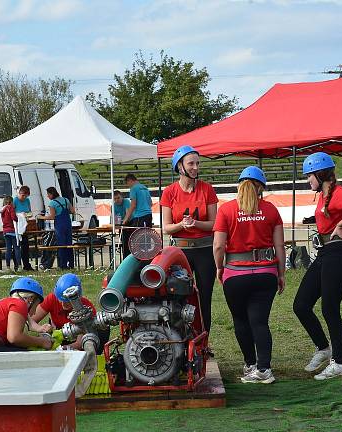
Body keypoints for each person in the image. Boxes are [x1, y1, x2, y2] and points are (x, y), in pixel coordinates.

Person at [293, 152, 342, 380]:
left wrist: (341, 225)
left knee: (329, 308)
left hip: (338, 254)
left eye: (309, 176)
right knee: (301, 305)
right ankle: (324, 348)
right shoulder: (324, 195)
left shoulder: (338, 192)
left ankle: (340, 363)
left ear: (320, 174)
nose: (308, 181)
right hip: (326, 253)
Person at [213, 167, 285, 384]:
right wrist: (281, 273)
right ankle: (264, 369)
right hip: (266, 273)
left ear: (239, 186)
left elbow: (218, 246)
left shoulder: (226, 210)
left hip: (235, 275)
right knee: (260, 322)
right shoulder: (271, 210)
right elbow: (279, 245)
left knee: (240, 320)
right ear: (260, 188)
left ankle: (250, 364)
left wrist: (219, 267)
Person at [161, 145, 218, 336]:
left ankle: (204, 339)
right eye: (191, 163)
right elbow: (166, 227)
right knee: (178, 295)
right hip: (180, 252)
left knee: (204, 297)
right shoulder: (169, 192)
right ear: (179, 166)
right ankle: (180, 339)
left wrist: (195, 223)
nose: (195, 167)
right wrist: (181, 226)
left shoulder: (207, 189)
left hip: (204, 250)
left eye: (197, 163)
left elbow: (213, 224)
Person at [31, 273, 109, 350]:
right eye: (61, 300)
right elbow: (30, 320)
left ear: (77, 296)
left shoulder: (86, 309)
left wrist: (59, 349)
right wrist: (40, 328)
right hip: (64, 336)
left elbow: (79, 344)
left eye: (68, 301)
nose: (63, 304)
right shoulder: (52, 298)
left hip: (81, 340)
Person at [38, 187, 75, 269]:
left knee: (61, 245)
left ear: (51, 194)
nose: (47, 196)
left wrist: (41, 217)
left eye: (48, 194)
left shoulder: (52, 203)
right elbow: (72, 211)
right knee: (69, 244)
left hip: (59, 226)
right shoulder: (66, 200)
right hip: (68, 224)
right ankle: (71, 264)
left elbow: (52, 216)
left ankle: (63, 265)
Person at [121, 174, 153, 257]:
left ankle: (133, 258)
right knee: (146, 240)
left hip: (140, 216)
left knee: (137, 239)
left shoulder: (133, 189)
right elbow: (151, 203)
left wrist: (125, 219)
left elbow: (133, 205)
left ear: (130, 180)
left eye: (127, 184)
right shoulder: (145, 188)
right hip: (149, 215)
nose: (128, 186)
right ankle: (146, 259)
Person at [13, 185, 34, 271]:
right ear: (20, 193)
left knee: (25, 247)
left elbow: (30, 212)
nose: (24, 198)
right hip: (16, 227)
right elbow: (12, 213)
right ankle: (17, 265)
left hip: (24, 226)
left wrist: (26, 215)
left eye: (26, 196)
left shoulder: (27, 201)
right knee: (16, 246)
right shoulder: (15, 200)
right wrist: (20, 214)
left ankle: (27, 265)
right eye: (23, 196)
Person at [0, 195, 21, 272]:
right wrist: (18, 218)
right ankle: (19, 266)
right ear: (11, 202)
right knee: (16, 248)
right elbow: (14, 218)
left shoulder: (2, 209)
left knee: (8, 249)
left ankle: (8, 267)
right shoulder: (10, 208)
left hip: (5, 231)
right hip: (12, 230)